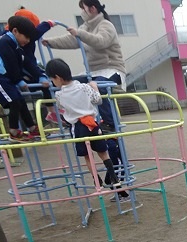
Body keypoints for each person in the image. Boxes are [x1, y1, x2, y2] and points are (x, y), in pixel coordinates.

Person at [42, 0, 125, 132]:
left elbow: (101, 41)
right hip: (92, 73)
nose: (82, 12)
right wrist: (50, 42)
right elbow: (71, 40)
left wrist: (80, 34)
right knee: (67, 83)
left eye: (83, 9)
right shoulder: (85, 27)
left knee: (97, 87)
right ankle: (64, 115)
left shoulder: (106, 25)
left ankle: (110, 123)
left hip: (112, 70)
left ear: (92, 9)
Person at [45, 58, 121, 191]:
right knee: (103, 152)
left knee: (87, 155)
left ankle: (96, 180)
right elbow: (98, 100)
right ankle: (114, 177)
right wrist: (94, 87)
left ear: (58, 78)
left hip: (78, 127)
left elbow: (61, 107)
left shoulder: (59, 94)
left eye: (53, 80)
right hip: (93, 124)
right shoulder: (84, 87)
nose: (53, 83)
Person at [0, 15, 42, 142]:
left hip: (4, 75)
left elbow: (24, 62)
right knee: (14, 101)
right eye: (26, 37)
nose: (28, 40)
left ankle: (32, 127)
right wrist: (18, 80)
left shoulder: (15, 44)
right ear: (15, 31)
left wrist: (40, 75)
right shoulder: (5, 42)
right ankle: (13, 132)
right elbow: (11, 63)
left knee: (20, 100)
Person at [12, 7, 60, 124]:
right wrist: (48, 24)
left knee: (48, 84)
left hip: (24, 71)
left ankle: (51, 112)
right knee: (47, 83)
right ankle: (51, 112)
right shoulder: (18, 39)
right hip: (23, 71)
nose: (29, 39)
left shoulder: (14, 37)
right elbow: (36, 32)